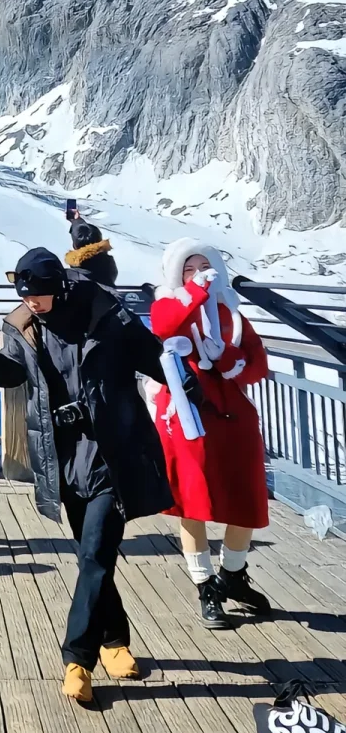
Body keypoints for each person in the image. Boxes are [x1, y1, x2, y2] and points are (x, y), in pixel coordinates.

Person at [0, 247, 171, 706]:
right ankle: (115, 641)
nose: (31, 303)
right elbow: (12, 376)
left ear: (59, 287)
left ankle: (77, 659)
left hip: (111, 450)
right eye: (24, 296)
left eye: (37, 296)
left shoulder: (105, 313)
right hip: (62, 456)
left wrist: (188, 382)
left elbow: (151, 355)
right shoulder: (23, 326)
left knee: (95, 552)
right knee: (92, 555)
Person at [150, 239, 271, 628]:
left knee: (246, 496)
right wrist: (195, 291)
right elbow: (164, 326)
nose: (199, 273)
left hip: (234, 417)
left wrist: (229, 359)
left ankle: (232, 574)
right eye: (189, 268)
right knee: (193, 500)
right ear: (176, 274)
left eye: (205, 266)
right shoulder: (169, 305)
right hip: (188, 416)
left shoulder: (232, 316)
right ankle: (205, 586)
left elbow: (257, 366)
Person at [65, 219, 119, 286]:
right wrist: (76, 221)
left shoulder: (71, 276)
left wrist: (76, 222)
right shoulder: (107, 266)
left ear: (75, 246)